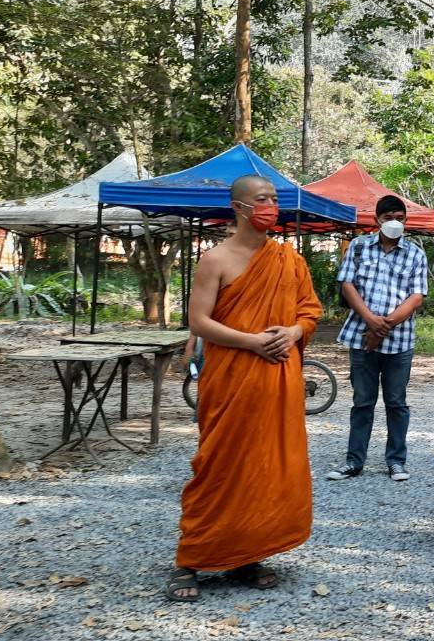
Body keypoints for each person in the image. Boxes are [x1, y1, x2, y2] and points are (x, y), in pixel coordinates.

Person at [166, 175, 322, 602]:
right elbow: (199, 323)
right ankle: (190, 557)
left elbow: (310, 310)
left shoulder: (290, 260)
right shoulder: (215, 260)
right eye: (261, 199)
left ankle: (248, 554)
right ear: (239, 207)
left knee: (267, 467)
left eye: (274, 198)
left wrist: (292, 332)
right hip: (232, 376)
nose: (270, 205)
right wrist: (253, 341)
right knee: (218, 464)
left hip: (278, 379)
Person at [327, 196, 428, 482]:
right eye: (389, 218)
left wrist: (385, 325)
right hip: (361, 337)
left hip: (399, 341)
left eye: (400, 217)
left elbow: (416, 296)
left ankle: (396, 461)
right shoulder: (358, 247)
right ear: (377, 220)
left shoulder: (415, 253)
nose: (395, 223)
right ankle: (353, 461)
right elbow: (347, 285)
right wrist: (370, 321)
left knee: (396, 402)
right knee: (362, 401)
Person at [177, 220, 238, 373]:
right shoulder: (214, 264)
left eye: (233, 235)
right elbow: (199, 316)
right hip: (215, 342)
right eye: (227, 235)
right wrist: (190, 348)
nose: (228, 240)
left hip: (249, 345)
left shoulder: (263, 265)